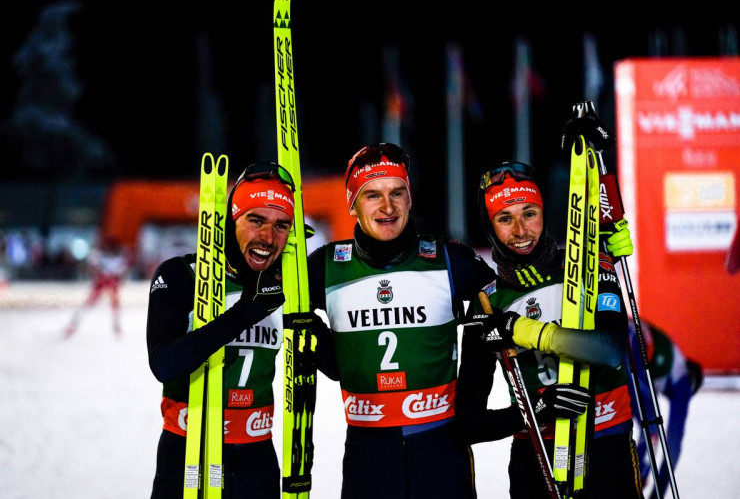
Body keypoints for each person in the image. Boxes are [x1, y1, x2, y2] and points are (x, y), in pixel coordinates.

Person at [306, 142, 501, 499]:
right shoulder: (324, 266)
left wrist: (474, 385)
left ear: (410, 199)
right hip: (368, 452)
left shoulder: (448, 257)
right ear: (352, 204)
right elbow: (273, 309)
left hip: (441, 447)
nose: (388, 207)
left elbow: (505, 301)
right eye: (372, 195)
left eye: (398, 193)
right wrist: (323, 348)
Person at [456, 160, 643, 499]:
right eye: (504, 218)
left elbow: (611, 350)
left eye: (529, 213)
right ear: (490, 226)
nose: (520, 230)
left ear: (544, 212)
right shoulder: (489, 303)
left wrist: (526, 331)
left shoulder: (592, 266)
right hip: (535, 458)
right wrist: (536, 411)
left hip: (605, 445)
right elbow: (468, 423)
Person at [146, 162, 295, 499]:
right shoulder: (182, 274)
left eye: (281, 225)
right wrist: (245, 313)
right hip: (188, 450)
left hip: (257, 456)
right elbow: (164, 364)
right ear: (231, 219)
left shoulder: (291, 282)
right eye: (256, 220)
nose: (268, 238)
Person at [627, 318, 703, 499]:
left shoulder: (672, 356)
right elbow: (673, 446)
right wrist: (657, 493)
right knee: (652, 427)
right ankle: (636, 477)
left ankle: (634, 475)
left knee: (642, 423)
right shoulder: (683, 381)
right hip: (630, 344)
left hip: (620, 332)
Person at [64, 236, 131, 337]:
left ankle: (116, 326)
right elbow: (94, 268)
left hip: (110, 282)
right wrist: (101, 275)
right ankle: (73, 324)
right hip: (102, 282)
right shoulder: (100, 256)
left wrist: (117, 278)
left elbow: (122, 272)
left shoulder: (119, 257)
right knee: (89, 304)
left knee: (115, 304)